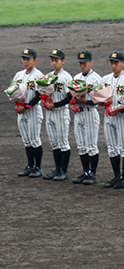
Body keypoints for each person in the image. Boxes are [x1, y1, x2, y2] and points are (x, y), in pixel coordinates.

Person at [101, 51, 124, 190]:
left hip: (122, 116)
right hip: (109, 116)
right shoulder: (105, 79)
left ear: (123, 63)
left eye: (116, 62)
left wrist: (121, 107)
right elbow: (99, 97)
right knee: (112, 148)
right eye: (112, 62)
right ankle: (116, 176)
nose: (113, 65)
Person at [70, 50, 101, 185]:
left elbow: (101, 100)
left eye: (85, 63)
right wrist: (73, 104)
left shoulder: (96, 79)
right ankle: (85, 172)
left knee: (91, 146)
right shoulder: (76, 77)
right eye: (80, 63)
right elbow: (70, 95)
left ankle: (92, 174)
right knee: (81, 146)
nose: (82, 65)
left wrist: (86, 102)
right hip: (79, 114)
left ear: (91, 63)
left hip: (90, 113)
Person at [13, 48, 44, 178]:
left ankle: (38, 167)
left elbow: (40, 94)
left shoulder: (38, 75)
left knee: (34, 139)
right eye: (24, 59)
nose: (25, 62)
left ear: (34, 60)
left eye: (28, 59)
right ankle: (30, 165)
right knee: (26, 140)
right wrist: (17, 103)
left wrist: (26, 106)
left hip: (33, 111)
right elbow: (13, 91)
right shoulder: (18, 75)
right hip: (21, 111)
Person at [42, 49, 73, 181]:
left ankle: (64, 171)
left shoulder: (66, 77)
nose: (54, 63)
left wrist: (55, 105)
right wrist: (45, 100)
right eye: (52, 60)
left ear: (63, 61)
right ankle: (57, 169)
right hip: (50, 112)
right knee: (54, 143)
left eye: (57, 60)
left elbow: (70, 97)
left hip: (61, 112)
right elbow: (42, 91)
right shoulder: (48, 76)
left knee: (63, 143)